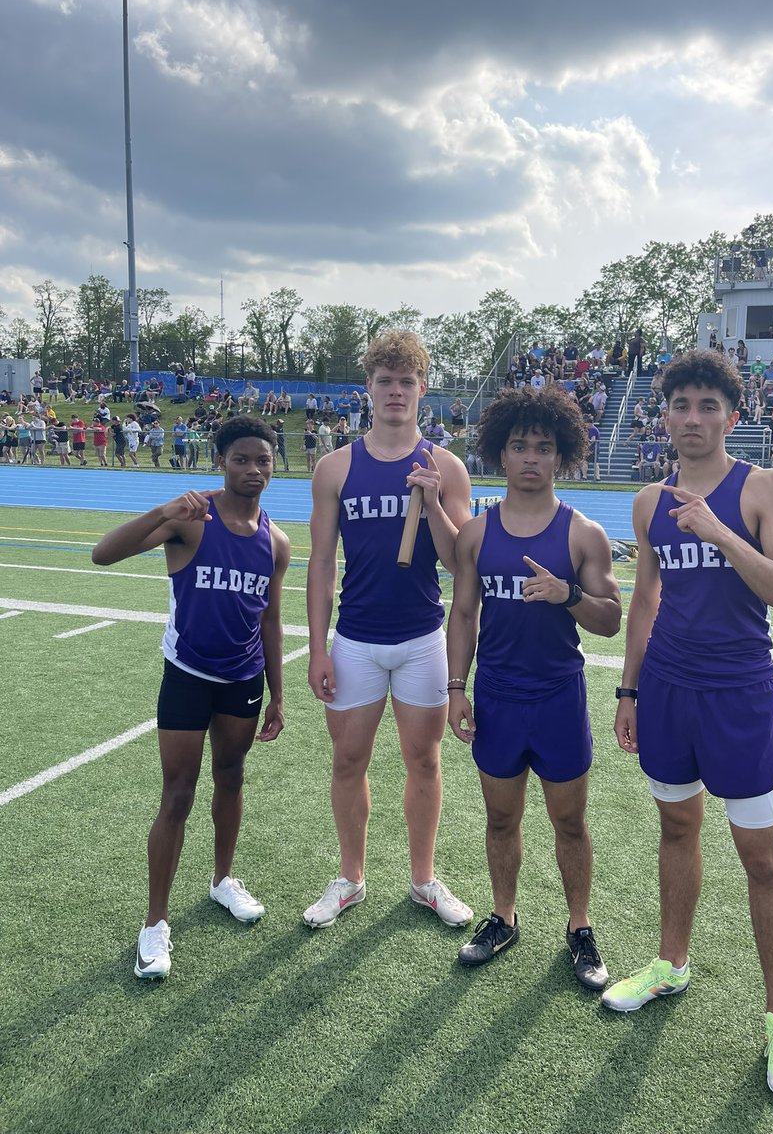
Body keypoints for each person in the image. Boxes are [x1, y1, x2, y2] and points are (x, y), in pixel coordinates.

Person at [602, 350, 773, 1100]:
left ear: (732, 414)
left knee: (761, 858)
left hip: (739, 695)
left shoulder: (765, 487)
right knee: (676, 831)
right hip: (666, 692)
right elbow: (646, 603)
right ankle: (671, 963)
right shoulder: (648, 500)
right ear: (664, 414)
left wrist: (723, 534)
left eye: (707, 406)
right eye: (680, 405)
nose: (692, 419)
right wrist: (629, 691)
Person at [91, 417, 290, 980]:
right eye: (240, 460)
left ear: (274, 465)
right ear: (220, 462)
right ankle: (155, 924)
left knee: (231, 776)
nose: (253, 469)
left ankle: (223, 880)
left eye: (263, 460)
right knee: (177, 794)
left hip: (243, 680)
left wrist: (278, 694)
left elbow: (271, 619)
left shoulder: (276, 541)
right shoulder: (192, 522)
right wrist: (161, 513)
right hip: (187, 675)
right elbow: (103, 556)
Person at [446, 386, 621, 986]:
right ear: (501, 452)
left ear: (560, 456)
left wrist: (565, 593)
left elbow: (611, 619)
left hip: (557, 698)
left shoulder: (583, 534)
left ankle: (579, 927)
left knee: (570, 823)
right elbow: (463, 615)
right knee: (500, 820)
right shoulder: (475, 534)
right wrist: (455, 687)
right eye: (519, 446)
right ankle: (503, 917)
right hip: (495, 696)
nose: (529, 458)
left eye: (543, 448)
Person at [304, 330, 473, 931]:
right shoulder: (336, 467)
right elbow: (322, 563)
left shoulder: (445, 466)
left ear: (422, 390)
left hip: (422, 639)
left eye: (407, 382)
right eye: (385, 381)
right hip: (355, 640)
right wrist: (318, 647)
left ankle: (424, 880)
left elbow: (460, 565)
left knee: (423, 761)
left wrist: (433, 504)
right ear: (368, 389)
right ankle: (350, 877)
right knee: (348, 759)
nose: (395, 391)